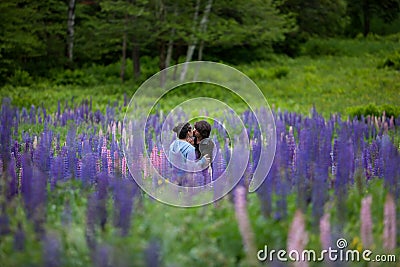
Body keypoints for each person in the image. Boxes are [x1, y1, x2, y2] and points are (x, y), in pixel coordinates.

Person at [193, 120, 214, 185]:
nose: (194, 130)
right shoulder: (194, 139)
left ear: (202, 133)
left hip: (205, 169)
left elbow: (206, 160)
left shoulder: (208, 144)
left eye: (196, 130)